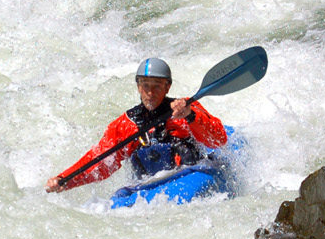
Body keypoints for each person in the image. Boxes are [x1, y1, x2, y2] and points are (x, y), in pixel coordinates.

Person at [46, 58, 227, 192]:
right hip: (150, 189)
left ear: (168, 87)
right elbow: (101, 161)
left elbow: (218, 139)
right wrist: (65, 179)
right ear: (138, 86)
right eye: (145, 85)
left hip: (190, 175)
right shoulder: (126, 124)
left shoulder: (185, 108)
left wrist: (191, 116)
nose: (150, 92)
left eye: (157, 86)